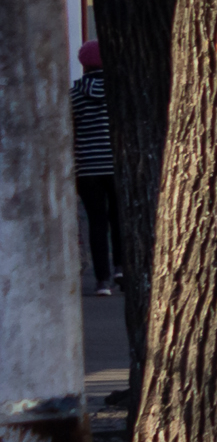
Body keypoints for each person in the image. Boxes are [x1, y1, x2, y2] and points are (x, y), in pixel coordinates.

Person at [70, 42, 117, 294]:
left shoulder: (75, 95)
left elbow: (69, 130)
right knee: (120, 219)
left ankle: (102, 281)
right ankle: (122, 268)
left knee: (97, 221)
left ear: (83, 65)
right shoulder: (119, 93)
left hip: (87, 167)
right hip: (116, 166)